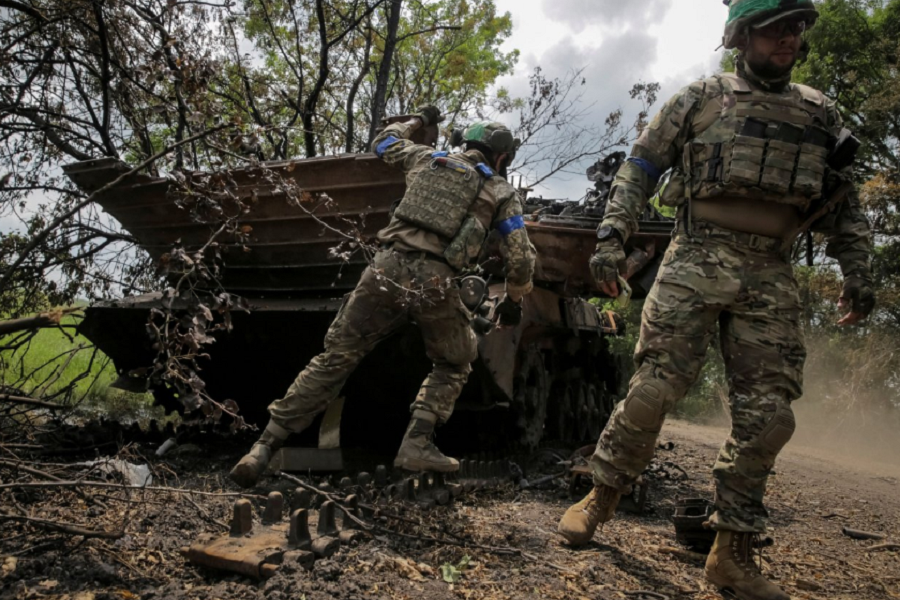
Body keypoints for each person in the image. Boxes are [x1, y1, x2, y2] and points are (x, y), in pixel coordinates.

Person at [557, 2, 874, 599]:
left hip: (771, 274)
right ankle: (599, 498)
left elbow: (844, 203)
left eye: (797, 26)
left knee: (770, 415)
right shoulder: (699, 98)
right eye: (777, 26)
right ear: (741, 36)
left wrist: (856, 270)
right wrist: (610, 237)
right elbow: (640, 166)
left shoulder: (821, 113)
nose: (790, 36)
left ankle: (731, 553)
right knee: (653, 390)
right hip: (696, 258)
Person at [229, 106, 536, 488]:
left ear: (465, 143)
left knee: (334, 359)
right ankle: (416, 443)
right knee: (456, 360)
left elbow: (383, 142)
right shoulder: (500, 190)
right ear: (502, 157)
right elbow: (521, 258)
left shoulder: (426, 159)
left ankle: (262, 447)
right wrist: (514, 298)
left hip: (384, 270)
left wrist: (419, 121)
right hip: (435, 282)